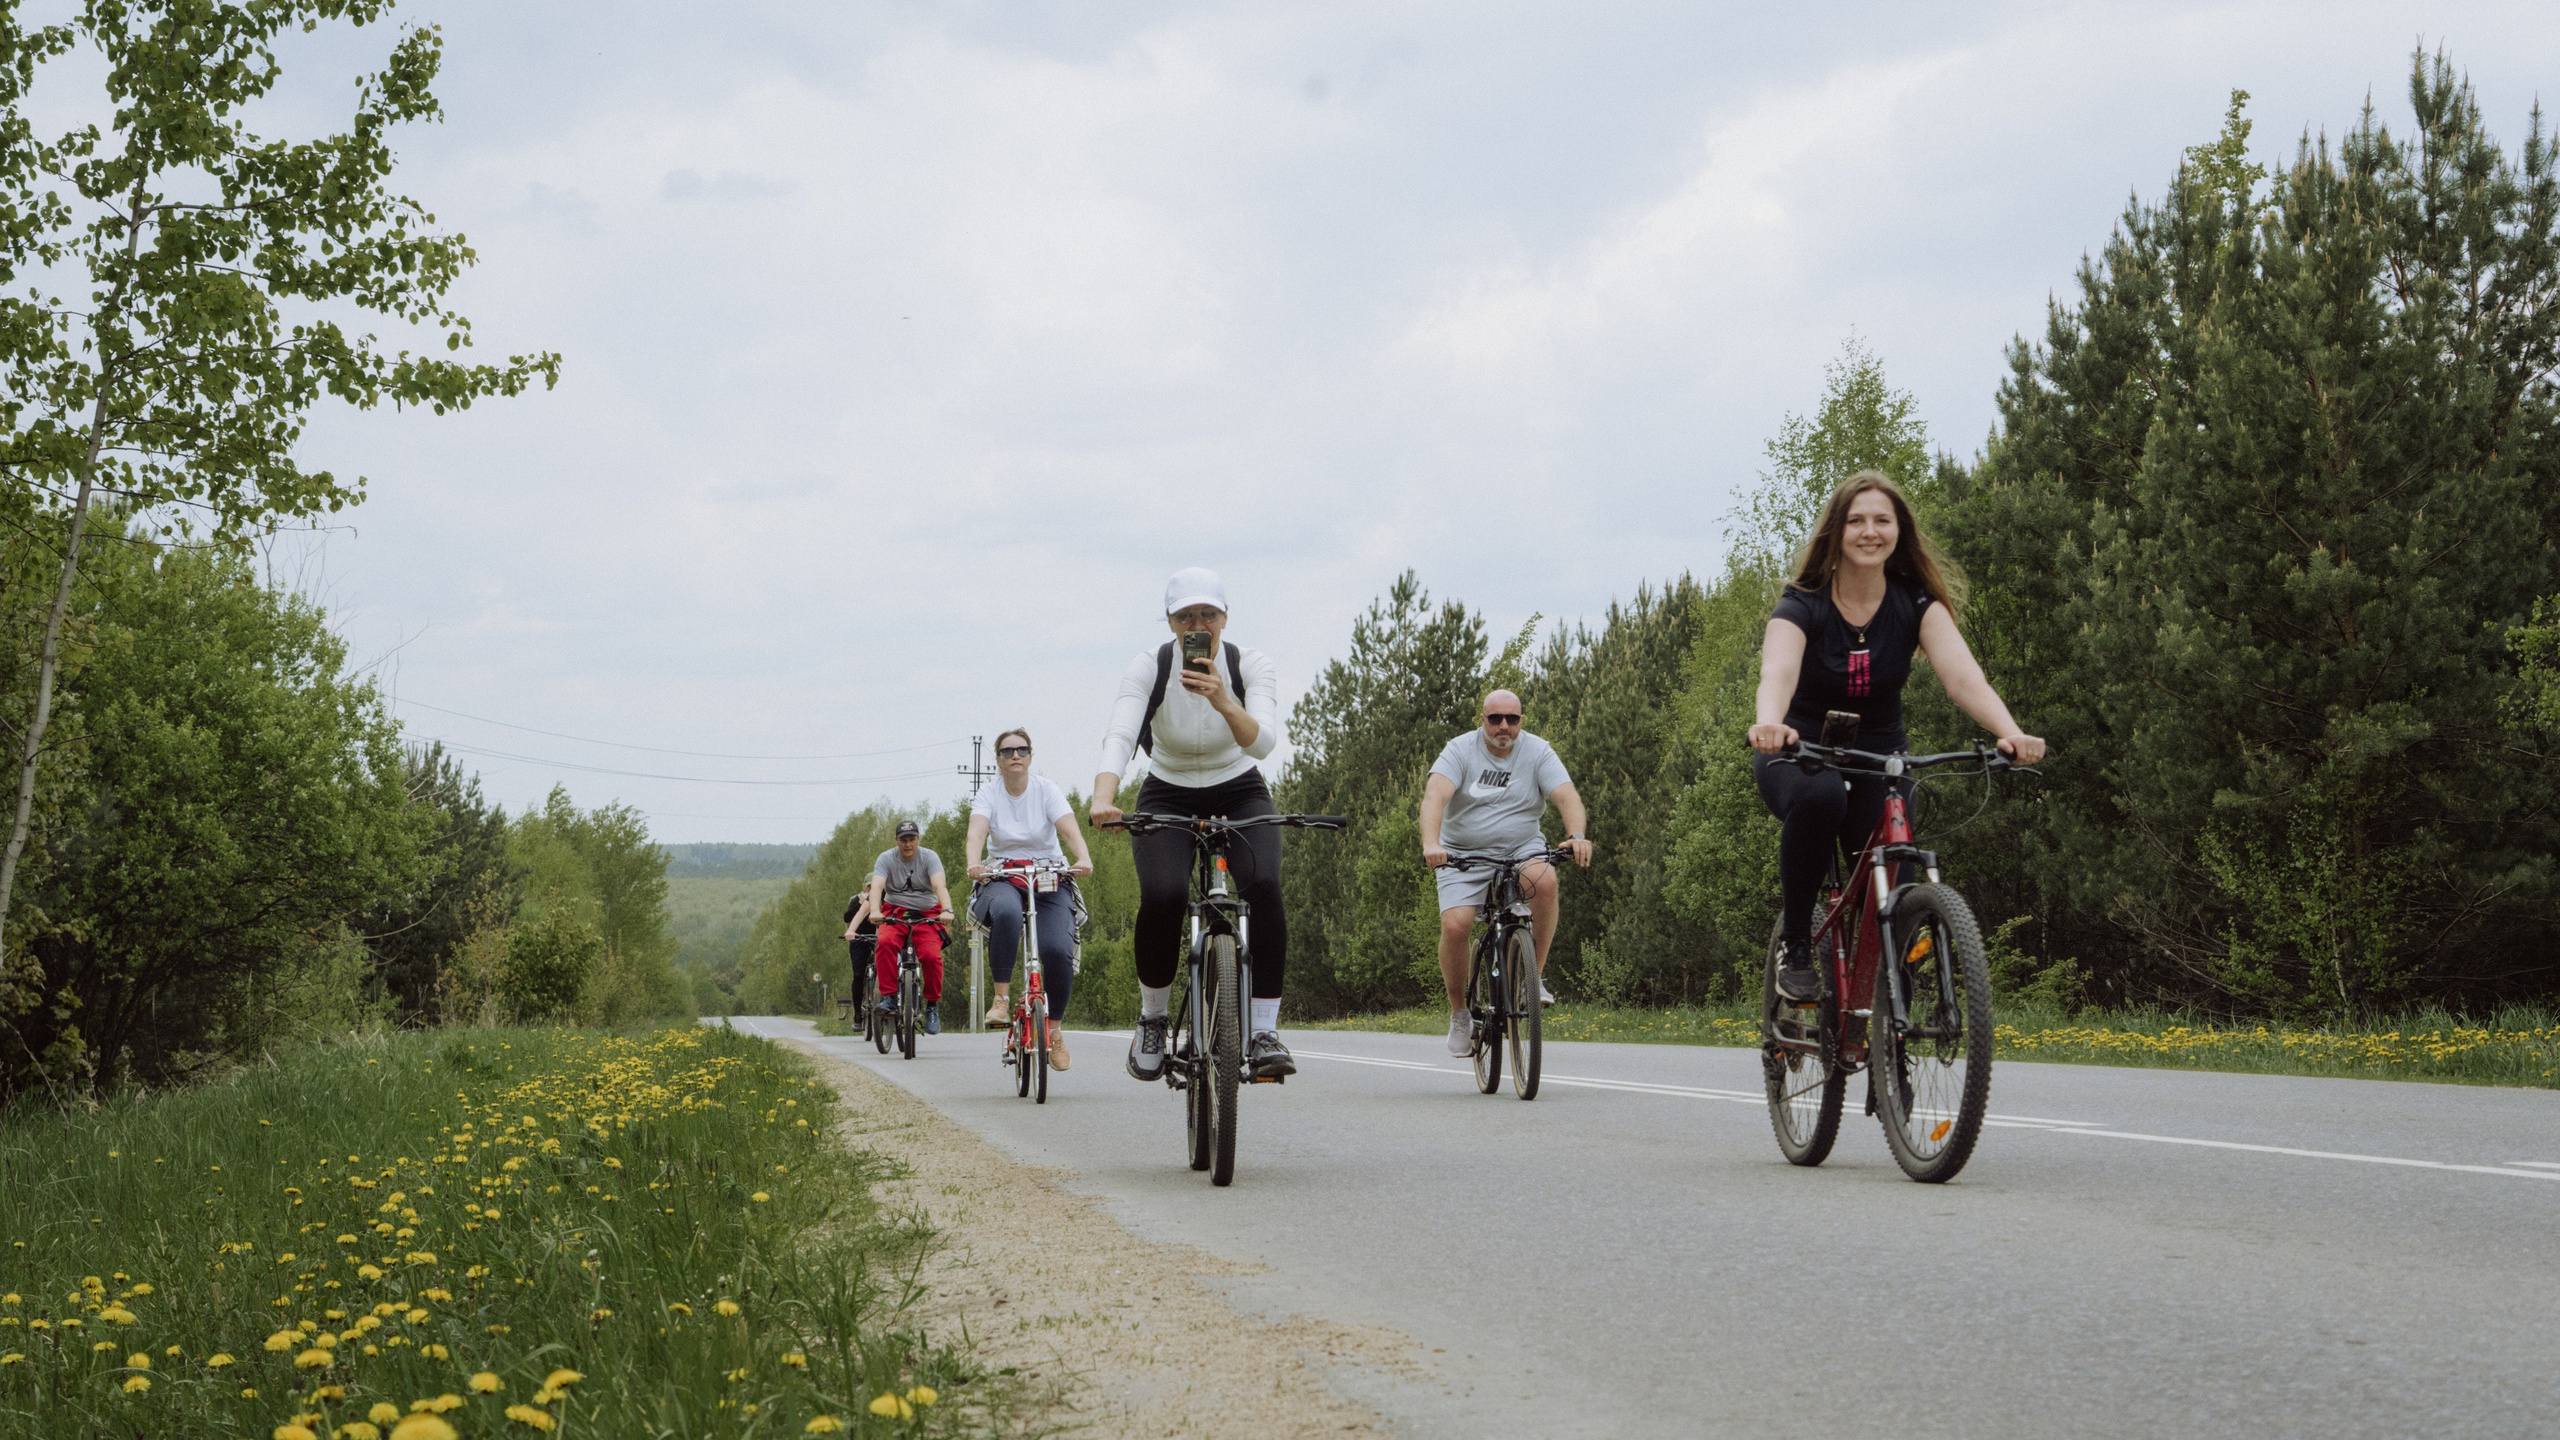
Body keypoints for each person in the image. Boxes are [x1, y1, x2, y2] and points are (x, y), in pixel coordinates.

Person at [1748, 470, 2046, 1003]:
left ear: (1898, 531)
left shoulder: (1915, 605)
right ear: (1836, 531)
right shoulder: (1803, 602)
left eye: (1882, 520)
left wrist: (2010, 733)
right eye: (1856, 520)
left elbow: (1964, 679)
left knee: (1896, 854)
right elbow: (1778, 673)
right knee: (1819, 801)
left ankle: (1893, 1032)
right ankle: (1796, 943)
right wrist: (1771, 723)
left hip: (1879, 753)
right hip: (1799, 748)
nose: (1870, 531)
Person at [1089, 567, 1294, 1080]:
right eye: (1185, 616)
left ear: (1224, 618)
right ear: (1170, 622)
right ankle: (1154, 1018)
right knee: (1163, 897)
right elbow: (1121, 732)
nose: (1196, 623)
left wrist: (1222, 696)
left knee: (1265, 885)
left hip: (1239, 785)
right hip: (1169, 788)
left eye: (1207, 614)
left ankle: (1264, 1028)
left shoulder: (1250, 664)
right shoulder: (1149, 666)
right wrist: (1103, 797)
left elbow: (1262, 743)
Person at [1419, 689, 1593, 1056]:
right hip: (1463, 853)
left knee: (1545, 880)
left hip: (1521, 847)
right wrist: (1431, 844)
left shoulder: (1537, 751)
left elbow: (1566, 795)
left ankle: (1533, 980)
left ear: (1520, 721)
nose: (1504, 726)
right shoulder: (1459, 750)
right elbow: (1435, 796)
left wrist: (1577, 835)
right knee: (1455, 926)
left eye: (1512, 719)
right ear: (1482, 720)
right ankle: (1460, 1015)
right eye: (1495, 718)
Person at [965, 727, 1096, 1070]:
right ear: (998, 760)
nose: (1015, 756)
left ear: (1031, 756)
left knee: (1056, 949)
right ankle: (1001, 999)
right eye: (1007, 752)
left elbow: (1068, 829)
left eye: (1022, 750)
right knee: (1006, 912)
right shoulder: (988, 793)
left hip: (1048, 874)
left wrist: (1082, 857)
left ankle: (1054, 1032)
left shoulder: (1046, 789)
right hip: (1003, 874)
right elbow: (977, 831)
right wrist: (973, 863)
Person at [862, 819, 957, 1033]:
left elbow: (939, 885)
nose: (908, 844)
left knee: (931, 957)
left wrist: (947, 910)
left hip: (927, 913)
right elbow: (877, 886)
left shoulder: (929, 857)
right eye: (903, 840)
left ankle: (932, 1005)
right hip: (895, 911)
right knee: (885, 943)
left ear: (918, 839)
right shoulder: (886, 858)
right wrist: (875, 910)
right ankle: (888, 997)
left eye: (912, 839)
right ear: (896, 841)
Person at [841, 889, 879, 1016]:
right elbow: (847, 917)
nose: (871, 888)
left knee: (885, 967)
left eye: (873, 885)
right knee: (858, 974)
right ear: (864, 886)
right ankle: (857, 1013)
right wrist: (859, 903)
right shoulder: (856, 899)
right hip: (858, 938)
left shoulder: (883, 897)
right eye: (869, 885)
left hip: (878, 937)